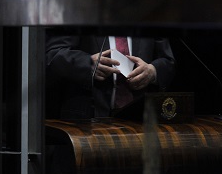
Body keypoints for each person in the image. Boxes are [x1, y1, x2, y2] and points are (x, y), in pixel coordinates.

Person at [45, 32, 175, 120]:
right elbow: (53, 55)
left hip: (140, 121)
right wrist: (87, 64)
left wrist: (152, 71)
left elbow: (168, 62)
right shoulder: (79, 9)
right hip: (87, 121)